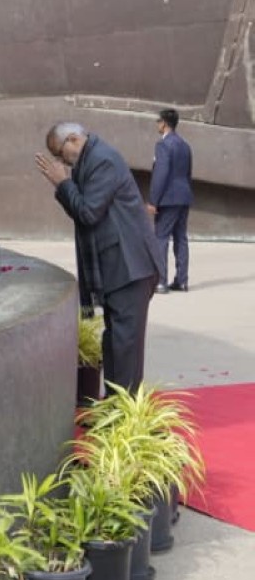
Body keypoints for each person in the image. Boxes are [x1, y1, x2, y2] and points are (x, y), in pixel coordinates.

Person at [36, 122, 158, 394]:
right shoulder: (92, 160)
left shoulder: (102, 161)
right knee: (114, 342)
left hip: (131, 266)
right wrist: (66, 186)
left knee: (125, 345)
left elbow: (88, 212)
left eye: (59, 153)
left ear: (73, 140)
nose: (60, 161)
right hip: (119, 266)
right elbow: (83, 213)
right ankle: (115, 408)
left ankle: (127, 417)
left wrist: (63, 183)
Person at [147, 107, 193, 293]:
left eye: (158, 121)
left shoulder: (163, 145)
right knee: (181, 238)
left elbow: (161, 174)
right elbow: (188, 173)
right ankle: (181, 281)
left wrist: (153, 201)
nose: (157, 125)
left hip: (167, 199)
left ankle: (161, 281)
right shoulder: (185, 145)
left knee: (161, 238)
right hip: (184, 197)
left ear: (164, 123)